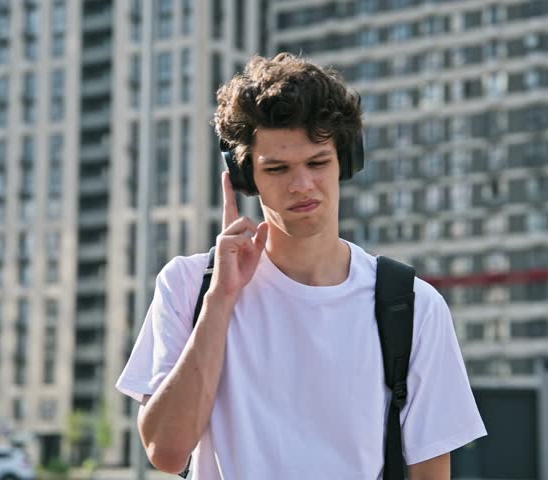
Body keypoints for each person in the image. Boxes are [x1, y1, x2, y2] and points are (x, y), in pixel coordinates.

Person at [116, 53, 486, 479]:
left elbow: (430, 472)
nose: (301, 185)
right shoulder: (190, 285)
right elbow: (166, 452)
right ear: (244, 176)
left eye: (317, 162)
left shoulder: (413, 305)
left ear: (346, 161)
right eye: (277, 168)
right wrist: (220, 300)